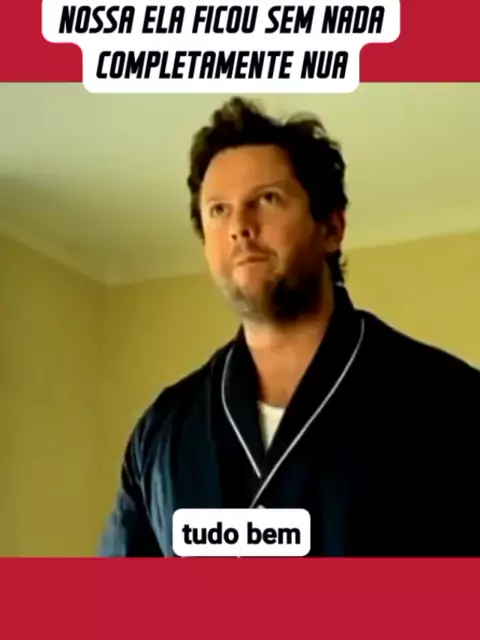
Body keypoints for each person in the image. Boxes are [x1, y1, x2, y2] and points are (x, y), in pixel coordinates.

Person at [100, 97, 480, 557]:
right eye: (218, 210)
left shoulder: (451, 401)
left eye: (267, 199)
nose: (240, 226)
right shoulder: (162, 434)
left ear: (331, 228)